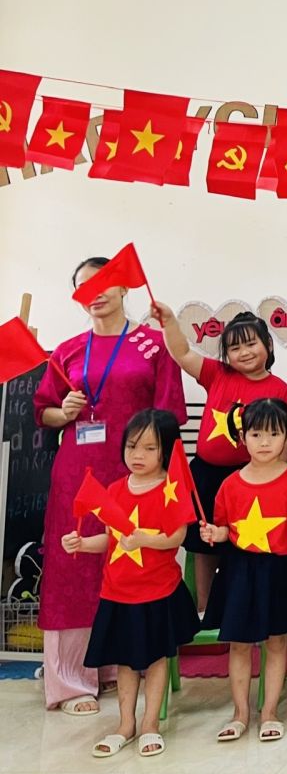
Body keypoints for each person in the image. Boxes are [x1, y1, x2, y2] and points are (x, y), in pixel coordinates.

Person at [35, 256, 187, 715]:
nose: (95, 294)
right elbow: (43, 412)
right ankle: (71, 682)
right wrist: (64, 411)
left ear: (124, 288)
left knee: (131, 560)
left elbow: (169, 415)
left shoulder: (153, 345)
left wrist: (164, 478)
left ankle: (124, 668)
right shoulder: (66, 350)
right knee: (75, 562)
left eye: (104, 283)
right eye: (84, 288)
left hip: (138, 476)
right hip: (77, 473)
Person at [63, 408, 198, 759]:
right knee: (125, 661)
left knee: (155, 659)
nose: (138, 455)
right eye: (132, 446)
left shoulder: (171, 488)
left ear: (167, 450)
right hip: (117, 592)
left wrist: (144, 540)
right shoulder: (114, 489)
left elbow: (176, 537)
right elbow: (112, 539)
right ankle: (126, 724)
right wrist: (82, 544)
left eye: (150, 448)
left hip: (157, 590)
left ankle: (151, 723)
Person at [151, 304, 287, 614]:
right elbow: (182, 353)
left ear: (268, 345)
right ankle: (204, 610)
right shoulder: (217, 374)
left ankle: (240, 610)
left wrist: (280, 482)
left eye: (251, 343)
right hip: (206, 474)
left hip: (250, 479)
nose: (244, 352)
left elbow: (284, 438)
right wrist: (170, 321)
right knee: (204, 544)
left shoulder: (280, 389)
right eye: (235, 348)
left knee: (241, 543)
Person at [197, 397, 287, 744]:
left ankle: (270, 712)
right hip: (239, 572)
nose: (264, 442)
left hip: (279, 569)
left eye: (273, 434)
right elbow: (226, 529)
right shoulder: (230, 484)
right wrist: (214, 534)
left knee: (277, 642)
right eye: (256, 434)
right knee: (240, 645)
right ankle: (240, 713)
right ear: (242, 437)